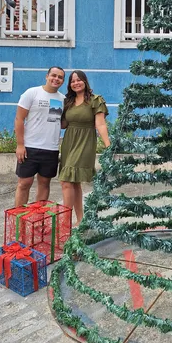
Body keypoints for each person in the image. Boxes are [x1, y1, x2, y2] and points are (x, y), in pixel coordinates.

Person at [59, 70, 110, 226]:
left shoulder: (96, 100)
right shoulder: (68, 102)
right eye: (72, 81)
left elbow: (100, 124)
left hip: (85, 141)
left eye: (79, 80)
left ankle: (65, 223)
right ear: (69, 85)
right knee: (74, 183)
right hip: (69, 141)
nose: (76, 83)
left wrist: (108, 145)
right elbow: (62, 124)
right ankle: (80, 220)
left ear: (85, 81)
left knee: (66, 180)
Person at [14, 66, 65, 206]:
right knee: (24, 183)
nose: (56, 79)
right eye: (53, 75)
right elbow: (19, 119)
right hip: (30, 147)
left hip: (51, 149)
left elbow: (63, 122)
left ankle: (39, 220)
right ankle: (20, 220)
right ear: (47, 76)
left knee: (44, 184)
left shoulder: (63, 99)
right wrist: (20, 145)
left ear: (63, 81)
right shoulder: (32, 93)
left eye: (60, 77)